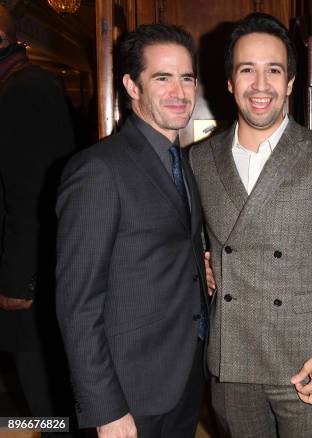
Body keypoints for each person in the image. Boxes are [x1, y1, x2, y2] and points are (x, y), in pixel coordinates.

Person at [190, 12, 312, 438]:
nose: (260, 84)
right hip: (232, 358)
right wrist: (205, 265)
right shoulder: (199, 160)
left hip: (306, 360)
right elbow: (189, 243)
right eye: (247, 69)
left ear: (289, 83)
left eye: (274, 70)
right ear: (230, 81)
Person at [56, 24, 207, 438]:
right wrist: (105, 409)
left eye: (187, 77)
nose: (179, 91)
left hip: (183, 375)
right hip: (128, 390)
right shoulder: (98, 170)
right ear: (132, 86)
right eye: (162, 77)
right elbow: (77, 304)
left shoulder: (184, 162)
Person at [0, 4, 77, 432]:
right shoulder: (19, 85)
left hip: (29, 277)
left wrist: (17, 282)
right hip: (30, 269)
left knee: (44, 397)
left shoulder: (24, 89)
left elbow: (31, 192)